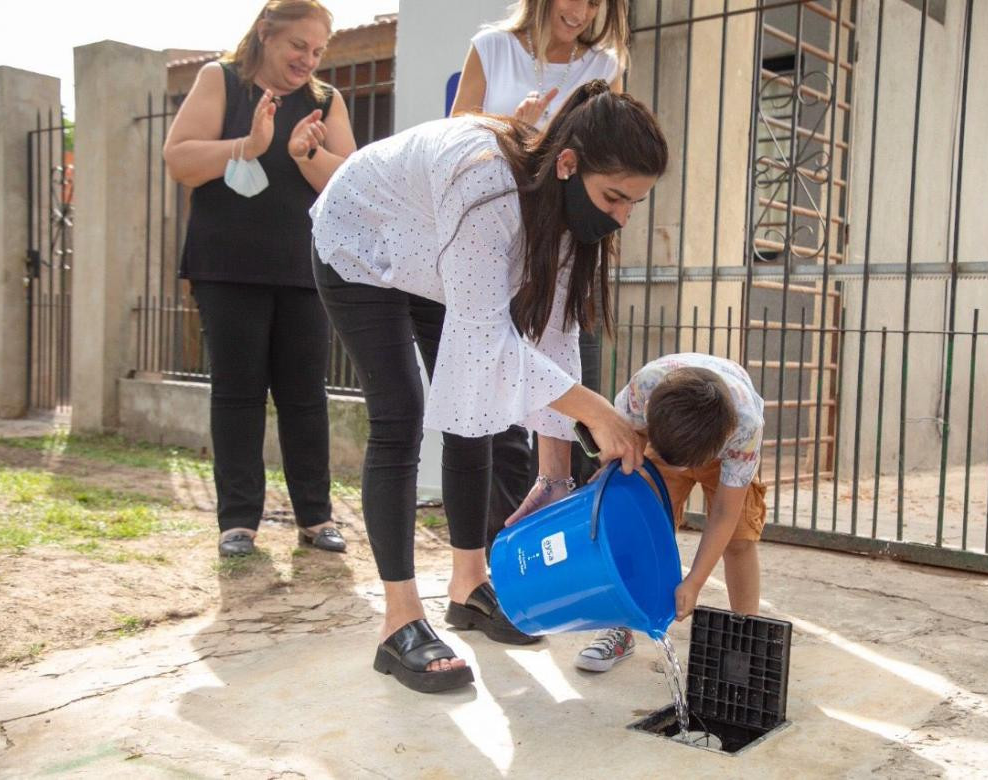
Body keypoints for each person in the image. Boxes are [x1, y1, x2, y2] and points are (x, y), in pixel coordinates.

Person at [310, 81, 667, 693]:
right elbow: (489, 343)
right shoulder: (486, 182)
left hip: (431, 260)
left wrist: (554, 476)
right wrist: (596, 413)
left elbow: (552, 341)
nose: (621, 217)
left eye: (633, 203)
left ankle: (469, 586)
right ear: (567, 163)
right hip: (362, 239)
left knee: (473, 413)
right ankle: (399, 624)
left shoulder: (565, 218)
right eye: (614, 198)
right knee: (400, 415)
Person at [163, 0, 356, 557]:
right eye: (299, 45)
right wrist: (247, 146)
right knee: (238, 393)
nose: (307, 59)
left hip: (304, 268)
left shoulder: (325, 100)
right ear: (266, 34)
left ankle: (316, 519)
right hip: (226, 267)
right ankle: (238, 523)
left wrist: (304, 153)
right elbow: (179, 160)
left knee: (305, 395)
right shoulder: (219, 79)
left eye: (317, 51)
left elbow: (350, 181)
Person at [450, 0, 631, 550]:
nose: (582, 11)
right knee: (496, 405)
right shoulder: (492, 48)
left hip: (567, 249)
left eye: (597, 1)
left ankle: (558, 540)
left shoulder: (604, 66)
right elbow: (454, 136)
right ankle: (496, 555)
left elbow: (616, 153)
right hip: (493, 244)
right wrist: (512, 128)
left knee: (567, 387)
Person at [567, 353, 767, 672]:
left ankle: (747, 640)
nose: (684, 471)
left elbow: (725, 512)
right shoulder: (643, 390)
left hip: (714, 445)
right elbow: (621, 443)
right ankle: (620, 627)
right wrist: (613, 480)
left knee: (740, 540)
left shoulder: (744, 428)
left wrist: (695, 582)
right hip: (658, 442)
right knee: (640, 530)